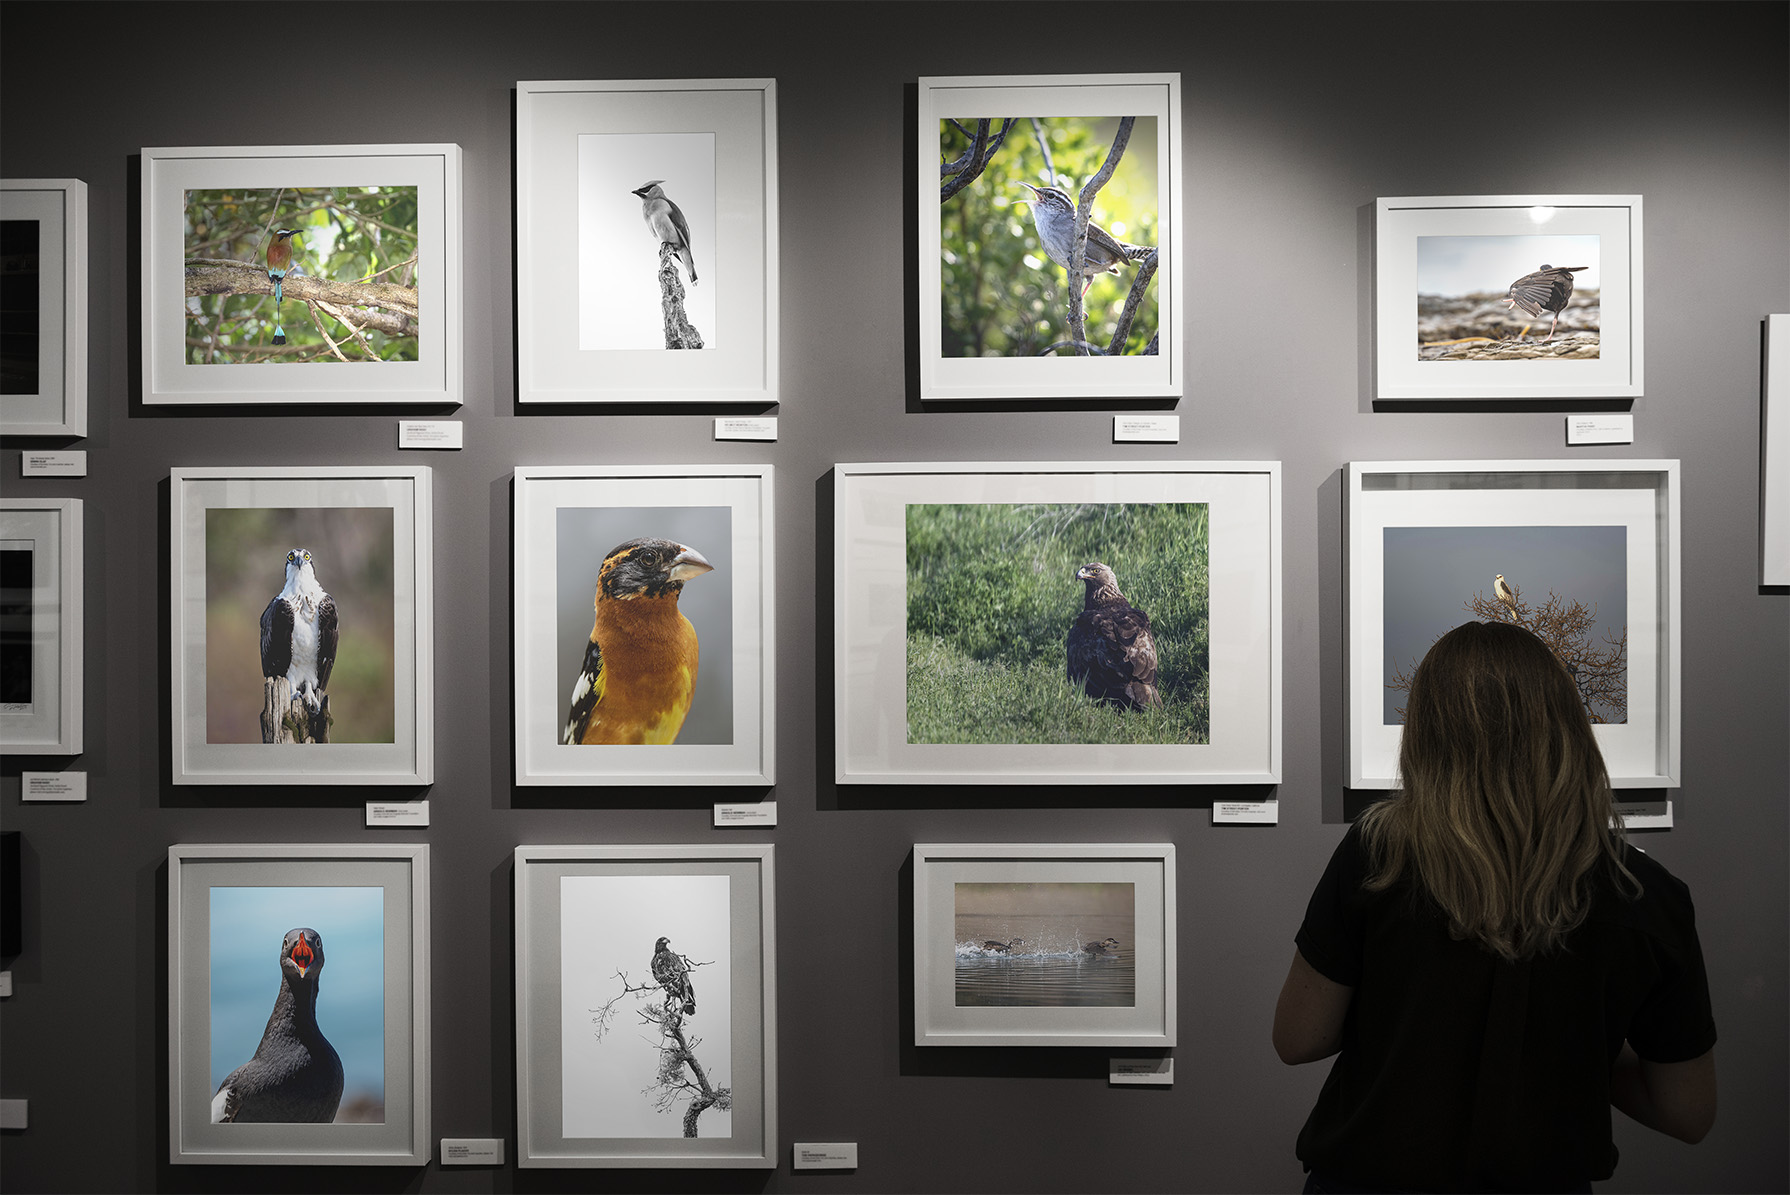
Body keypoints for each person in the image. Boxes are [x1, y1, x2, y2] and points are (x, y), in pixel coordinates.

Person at [1274, 621, 1716, 1193]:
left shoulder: (1378, 856)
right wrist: (1574, 1049)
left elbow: (1299, 1039)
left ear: (1427, 735)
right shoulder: (1646, 893)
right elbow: (1687, 1111)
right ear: (1569, 731)